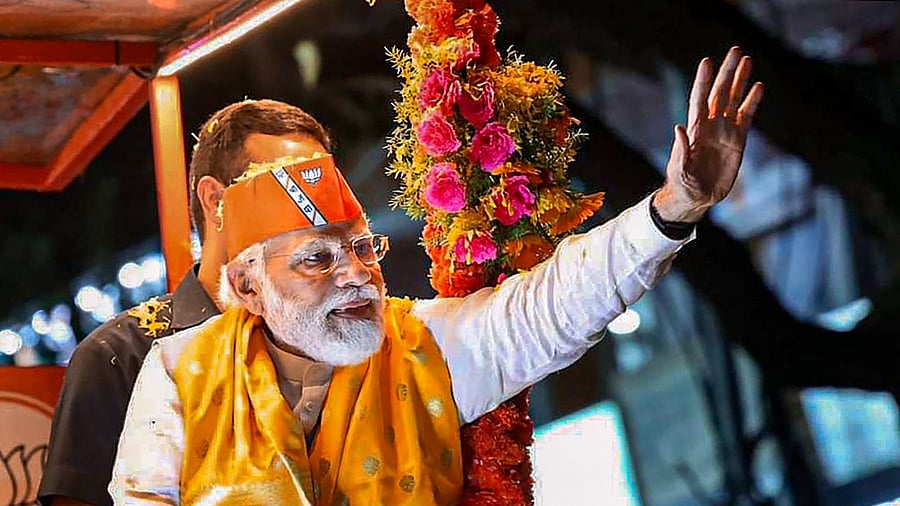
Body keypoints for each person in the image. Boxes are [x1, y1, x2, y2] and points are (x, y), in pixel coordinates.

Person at [110, 48, 763, 504]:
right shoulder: (177, 379)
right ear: (249, 287)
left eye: (362, 249)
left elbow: (554, 306)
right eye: (316, 259)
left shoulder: (420, 352)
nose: (356, 277)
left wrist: (674, 208)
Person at [38, 100, 335, 506]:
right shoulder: (120, 357)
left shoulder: (344, 340)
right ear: (216, 200)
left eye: (323, 190)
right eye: (288, 189)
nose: (314, 216)